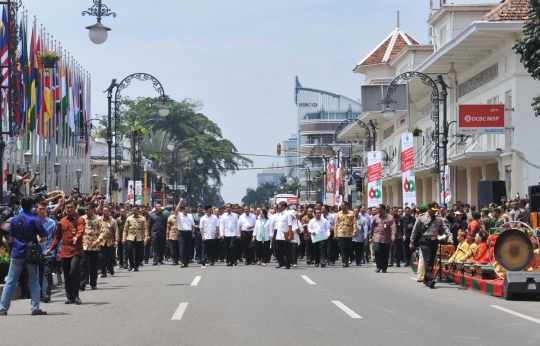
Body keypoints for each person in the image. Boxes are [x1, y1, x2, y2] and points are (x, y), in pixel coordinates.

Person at [0, 196, 48, 316]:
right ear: (32, 206)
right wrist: (37, 241)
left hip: (17, 253)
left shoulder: (15, 219)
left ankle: (3, 308)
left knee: (11, 281)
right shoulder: (35, 219)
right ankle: (35, 307)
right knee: (34, 281)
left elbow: (10, 238)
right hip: (32, 254)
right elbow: (43, 237)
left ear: (21, 204)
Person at [46, 200, 84, 305]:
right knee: (67, 275)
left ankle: (76, 295)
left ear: (75, 207)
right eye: (67, 207)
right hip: (65, 251)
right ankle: (70, 297)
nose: (69, 209)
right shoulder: (62, 221)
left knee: (74, 271)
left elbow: (81, 230)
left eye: (71, 207)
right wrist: (51, 248)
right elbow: (57, 237)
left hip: (76, 251)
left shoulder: (80, 219)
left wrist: (77, 237)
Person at [410, 202, 450, 289]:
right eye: (433, 210)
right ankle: (431, 279)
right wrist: (412, 242)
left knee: (431, 260)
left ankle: (426, 279)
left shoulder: (439, 218)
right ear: (429, 209)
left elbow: (444, 228)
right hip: (424, 241)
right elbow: (415, 231)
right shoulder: (421, 217)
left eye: (436, 210)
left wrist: (449, 236)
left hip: (434, 241)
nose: (434, 212)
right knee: (427, 260)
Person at [36, 201, 58, 303]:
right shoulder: (33, 222)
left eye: (43, 209)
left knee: (47, 273)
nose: (42, 211)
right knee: (38, 274)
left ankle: (46, 294)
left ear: (46, 210)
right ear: (36, 210)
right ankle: (40, 294)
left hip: (49, 252)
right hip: (36, 253)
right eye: (40, 209)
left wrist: (58, 251)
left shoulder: (52, 223)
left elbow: (57, 238)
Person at [80, 203, 104, 291]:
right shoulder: (82, 218)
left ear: (93, 209)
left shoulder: (99, 219)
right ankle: (82, 283)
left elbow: (103, 232)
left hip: (94, 246)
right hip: (84, 245)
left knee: (93, 266)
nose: (86, 211)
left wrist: (97, 241)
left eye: (88, 209)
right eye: (85, 209)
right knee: (83, 265)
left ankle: (93, 283)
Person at [370, 204, 396, 273]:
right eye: (377, 209)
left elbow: (393, 226)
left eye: (379, 209)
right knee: (377, 251)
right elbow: (372, 227)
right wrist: (370, 236)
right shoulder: (375, 217)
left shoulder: (390, 217)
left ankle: (384, 268)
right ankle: (378, 267)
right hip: (377, 237)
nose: (378, 210)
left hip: (386, 238)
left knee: (385, 253)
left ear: (383, 209)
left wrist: (393, 235)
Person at [123, 206, 148, 272]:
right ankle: (131, 265)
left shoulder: (142, 218)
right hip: (130, 237)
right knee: (129, 250)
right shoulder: (129, 218)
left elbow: (145, 229)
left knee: (138, 252)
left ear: (138, 211)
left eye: (135, 210)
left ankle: (136, 266)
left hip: (139, 237)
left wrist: (146, 238)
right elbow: (125, 229)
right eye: (133, 210)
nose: (133, 211)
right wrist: (124, 238)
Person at [334, 201, 356, 268]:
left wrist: (354, 231)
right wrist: (335, 233)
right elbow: (336, 224)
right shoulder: (339, 214)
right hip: (341, 233)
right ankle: (344, 262)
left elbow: (354, 223)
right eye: (341, 205)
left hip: (349, 233)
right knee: (342, 248)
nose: (341, 206)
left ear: (346, 205)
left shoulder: (352, 213)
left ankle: (347, 259)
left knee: (348, 248)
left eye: (342, 205)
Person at [99, 206, 118, 278]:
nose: (105, 212)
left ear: (109, 211)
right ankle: (103, 272)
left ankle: (110, 267)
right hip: (101, 241)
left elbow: (116, 231)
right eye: (104, 211)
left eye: (107, 211)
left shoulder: (113, 221)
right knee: (102, 257)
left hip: (110, 241)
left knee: (111, 257)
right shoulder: (99, 220)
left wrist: (116, 240)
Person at [274, 201, 293, 269]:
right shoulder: (279, 214)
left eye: (279, 206)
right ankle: (281, 263)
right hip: (278, 235)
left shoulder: (288, 214)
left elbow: (290, 225)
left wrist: (290, 235)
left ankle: (288, 264)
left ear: (283, 206)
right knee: (278, 250)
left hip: (285, 235)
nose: (278, 207)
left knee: (286, 251)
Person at [176, 203, 195, 268]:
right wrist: (180, 202)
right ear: (183, 210)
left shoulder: (190, 215)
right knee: (182, 247)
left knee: (188, 248)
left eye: (188, 209)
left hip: (189, 233)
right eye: (186, 209)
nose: (188, 210)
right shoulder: (179, 215)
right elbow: (176, 210)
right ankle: (183, 262)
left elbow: (192, 225)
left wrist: (192, 233)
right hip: (181, 233)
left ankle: (186, 261)